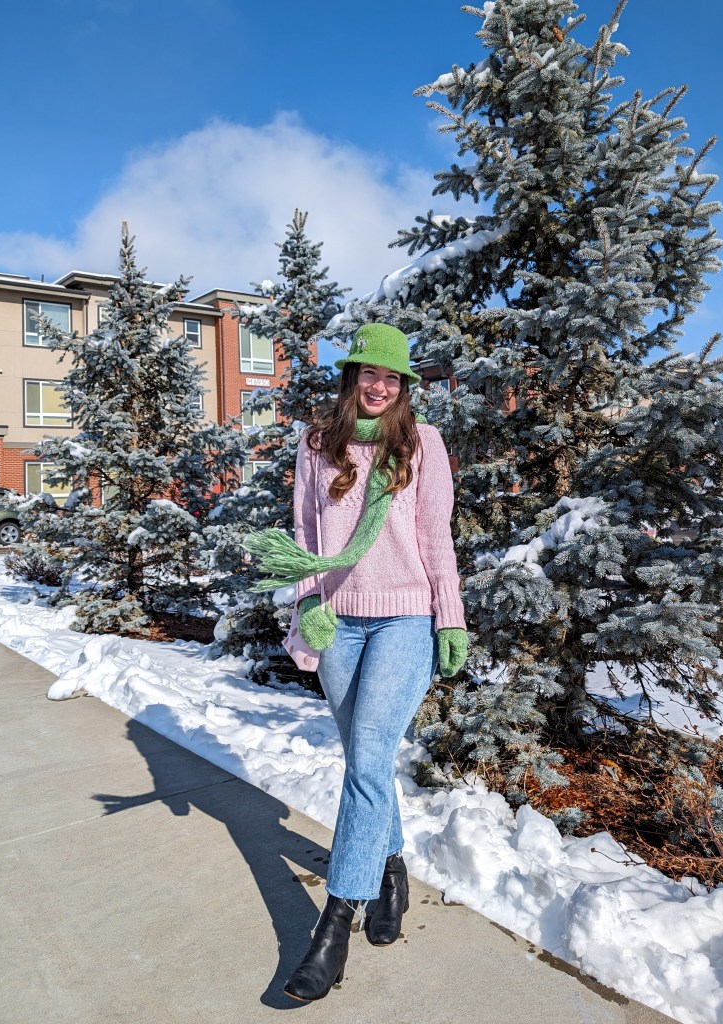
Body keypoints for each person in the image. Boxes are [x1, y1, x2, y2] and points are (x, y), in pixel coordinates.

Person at [244, 323, 468, 1001]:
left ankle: (332, 927)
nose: (378, 387)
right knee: (363, 762)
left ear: (404, 388)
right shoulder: (317, 444)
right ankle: (391, 865)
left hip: (404, 616)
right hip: (339, 620)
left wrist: (449, 615)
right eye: (368, 375)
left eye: (391, 378)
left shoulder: (421, 444)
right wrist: (305, 610)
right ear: (351, 379)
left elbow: (435, 537)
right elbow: (309, 539)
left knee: (369, 757)